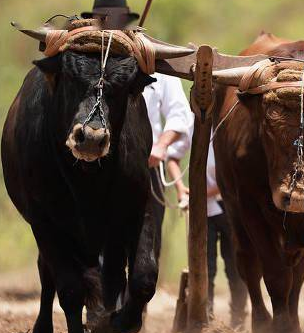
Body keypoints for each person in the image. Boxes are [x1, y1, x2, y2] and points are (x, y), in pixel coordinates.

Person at [81, 0, 193, 326]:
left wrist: (160, 146)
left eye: (116, 18)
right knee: (98, 244)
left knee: (144, 252)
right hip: (95, 166)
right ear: (96, 20)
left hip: (145, 170)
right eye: (104, 18)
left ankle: (131, 314)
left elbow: (179, 116)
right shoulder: (85, 58)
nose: (110, 22)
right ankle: (101, 310)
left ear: (128, 19)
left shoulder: (150, 58)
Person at [167, 141, 248, 329]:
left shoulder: (229, 124)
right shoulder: (192, 124)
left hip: (230, 207)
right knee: (205, 268)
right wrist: (180, 189)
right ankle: (205, 318)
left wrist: (200, 192)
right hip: (202, 210)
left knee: (235, 267)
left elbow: (236, 173)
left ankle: (239, 320)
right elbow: (172, 157)